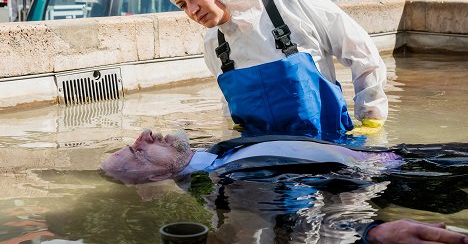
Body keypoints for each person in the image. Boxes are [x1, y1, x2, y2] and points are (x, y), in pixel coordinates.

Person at [164, 0, 387, 139]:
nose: (192, 10)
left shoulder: (290, 2)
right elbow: (230, 106)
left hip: (329, 151)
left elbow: (360, 50)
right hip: (266, 166)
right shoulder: (214, 44)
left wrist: (371, 116)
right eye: (182, 4)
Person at [100, 128, 468, 244]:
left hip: (411, 156)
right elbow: (295, 228)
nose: (144, 134)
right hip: (427, 174)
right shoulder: (224, 186)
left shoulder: (218, 155)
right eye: (138, 149)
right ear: (152, 178)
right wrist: (370, 235)